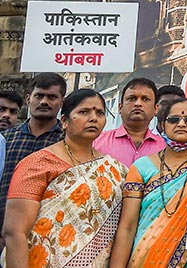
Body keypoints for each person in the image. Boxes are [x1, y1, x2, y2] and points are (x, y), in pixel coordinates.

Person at [3, 89, 127, 267]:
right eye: (83, 112)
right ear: (64, 121)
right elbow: (15, 232)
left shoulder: (116, 170)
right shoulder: (38, 163)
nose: (93, 118)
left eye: (99, 113)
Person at [110, 97, 187, 268]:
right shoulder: (142, 167)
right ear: (162, 125)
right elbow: (128, 226)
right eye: (174, 119)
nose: (181, 124)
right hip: (143, 258)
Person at [0, 73, 65, 241]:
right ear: (28, 99)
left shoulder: (67, 142)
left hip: (49, 235)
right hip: (3, 228)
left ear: (62, 102)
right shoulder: (6, 139)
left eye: (52, 97)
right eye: (39, 96)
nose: (44, 102)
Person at [94, 78, 166, 166]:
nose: (138, 103)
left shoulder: (166, 148)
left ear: (156, 109)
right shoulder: (96, 143)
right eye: (132, 98)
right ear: (120, 107)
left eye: (145, 99)